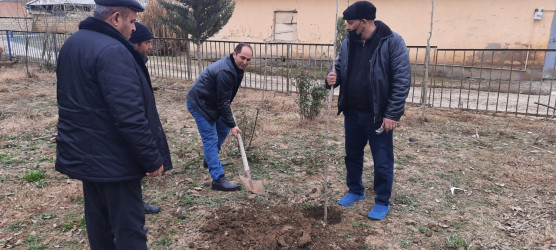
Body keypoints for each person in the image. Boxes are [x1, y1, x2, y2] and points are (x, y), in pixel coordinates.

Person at [55, 0, 173, 248]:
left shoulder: (73, 43)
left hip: (86, 154)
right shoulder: (112, 51)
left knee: (99, 226)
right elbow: (129, 115)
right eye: (132, 21)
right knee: (129, 231)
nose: (134, 28)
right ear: (116, 18)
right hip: (114, 161)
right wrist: (152, 159)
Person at [325, 1, 410, 220]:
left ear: (364, 22)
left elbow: (401, 80)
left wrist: (392, 114)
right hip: (352, 112)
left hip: (378, 115)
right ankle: (355, 190)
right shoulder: (348, 42)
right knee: (352, 155)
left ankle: (382, 201)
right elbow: (339, 67)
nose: (347, 27)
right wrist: (332, 77)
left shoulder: (392, 42)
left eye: (350, 23)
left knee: (382, 159)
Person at [186, 43, 253, 191]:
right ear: (234, 54)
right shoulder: (225, 71)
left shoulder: (237, 67)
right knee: (210, 138)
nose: (245, 62)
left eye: (248, 59)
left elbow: (225, 98)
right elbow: (222, 102)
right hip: (200, 104)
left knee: (223, 129)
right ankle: (218, 179)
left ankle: (210, 160)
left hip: (213, 103)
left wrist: (229, 121)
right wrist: (233, 125)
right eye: (242, 58)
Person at [129, 21, 161, 215]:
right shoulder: (128, 63)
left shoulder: (138, 62)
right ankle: (132, 210)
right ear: (136, 43)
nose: (150, 47)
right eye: (147, 43)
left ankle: (136, 204)